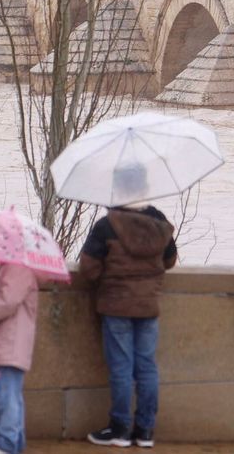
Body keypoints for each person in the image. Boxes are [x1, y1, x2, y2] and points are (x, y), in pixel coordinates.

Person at [79, 165, 179, 448]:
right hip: (148, 306)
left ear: (117, 188)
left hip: (116, 305)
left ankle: (120, 429)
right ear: (145, 186)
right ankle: (145, 431)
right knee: (146, 367)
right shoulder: (159, 221)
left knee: (121, 368)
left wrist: (108, 281)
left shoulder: (107, 225)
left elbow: (88, 268)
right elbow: (170, 260)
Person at [0, 261, 41, 454]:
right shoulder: (5, 267)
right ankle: (13, 440)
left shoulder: (17, 268)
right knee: (7, 393)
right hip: (5, 342)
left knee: (6, 394)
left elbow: (8, 300)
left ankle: (6, 441)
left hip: (10, 342)